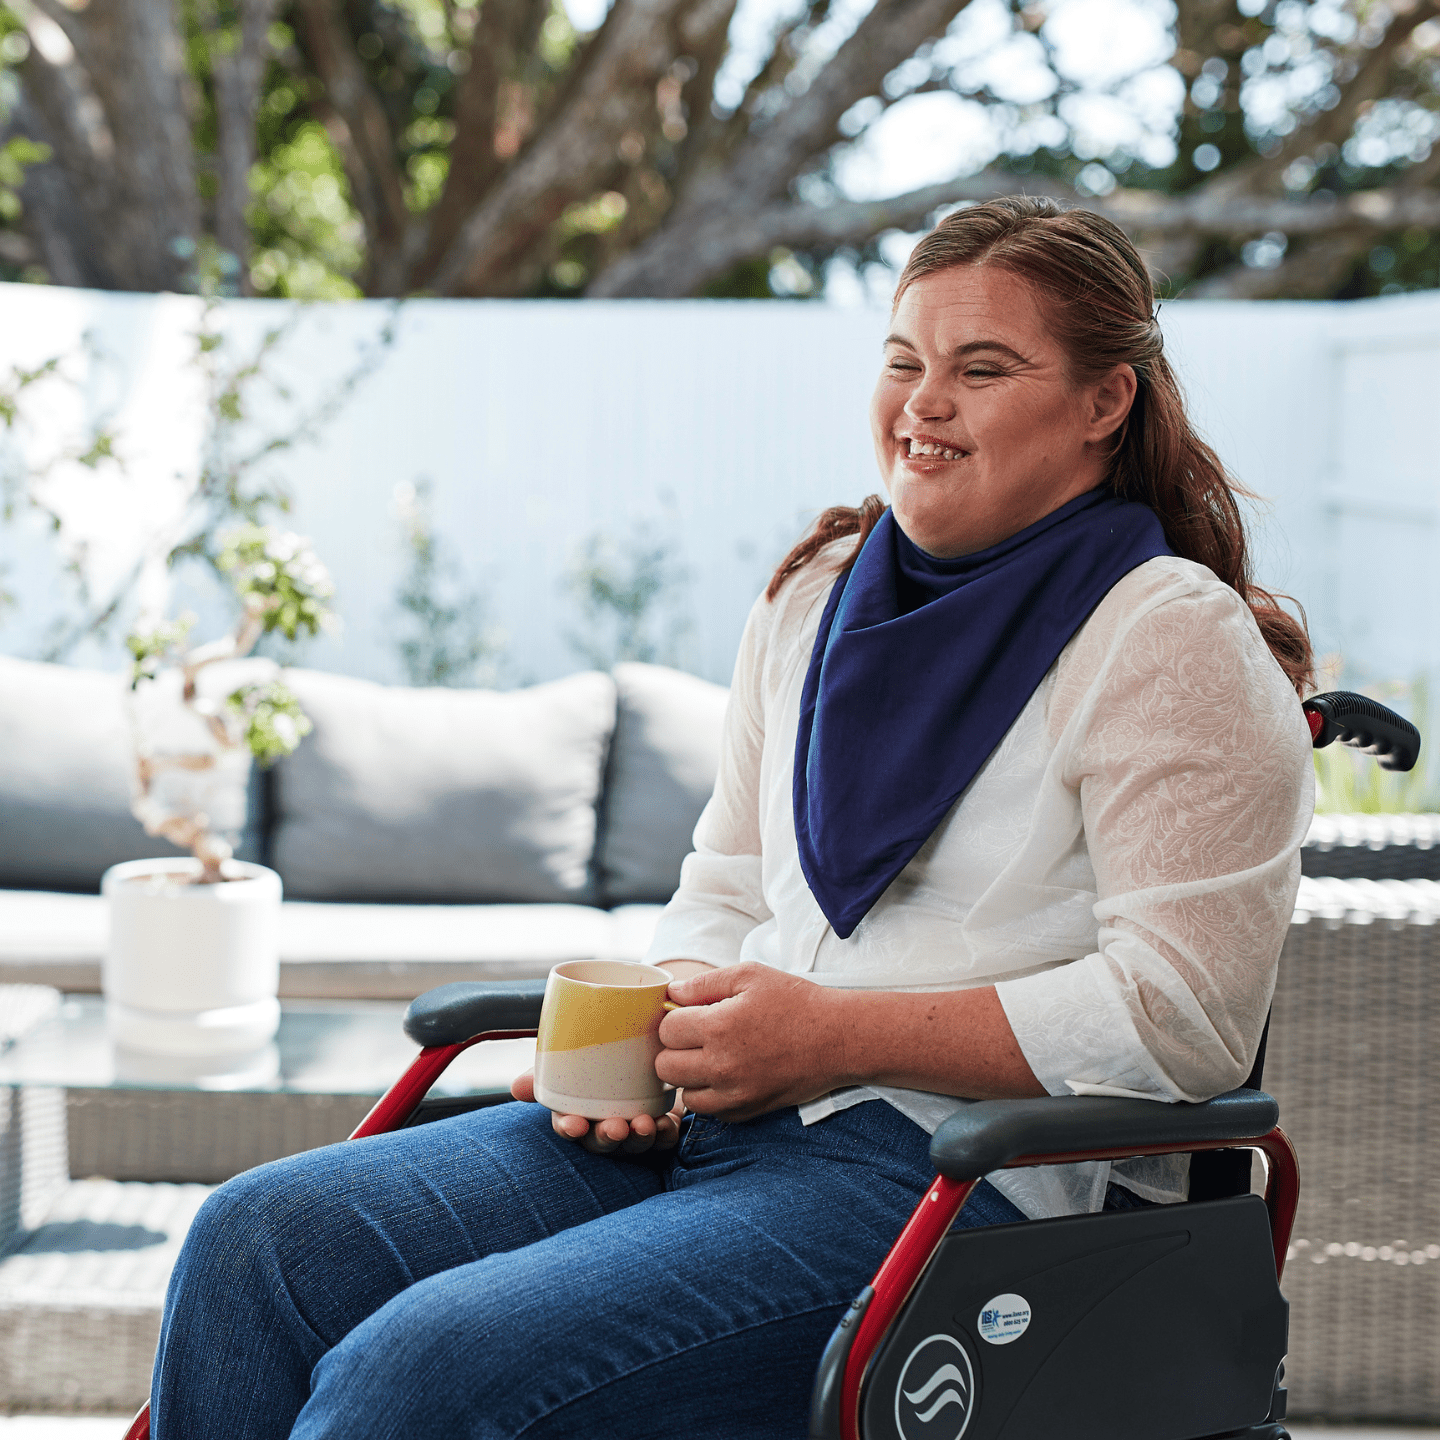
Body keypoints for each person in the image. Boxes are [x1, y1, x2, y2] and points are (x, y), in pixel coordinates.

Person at [148, 197, 1314, 1440]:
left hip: (972, 1181)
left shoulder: (1167, 639)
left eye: (983, 370)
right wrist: (652, 1046)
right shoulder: (817, 596)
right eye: (904, 362)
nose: (924, 404)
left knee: (426, 1371)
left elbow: (1181, 1018)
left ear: (1104, 402)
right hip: (725, 1123)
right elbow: (730, 884)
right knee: (255, 1246)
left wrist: (832, 1037)